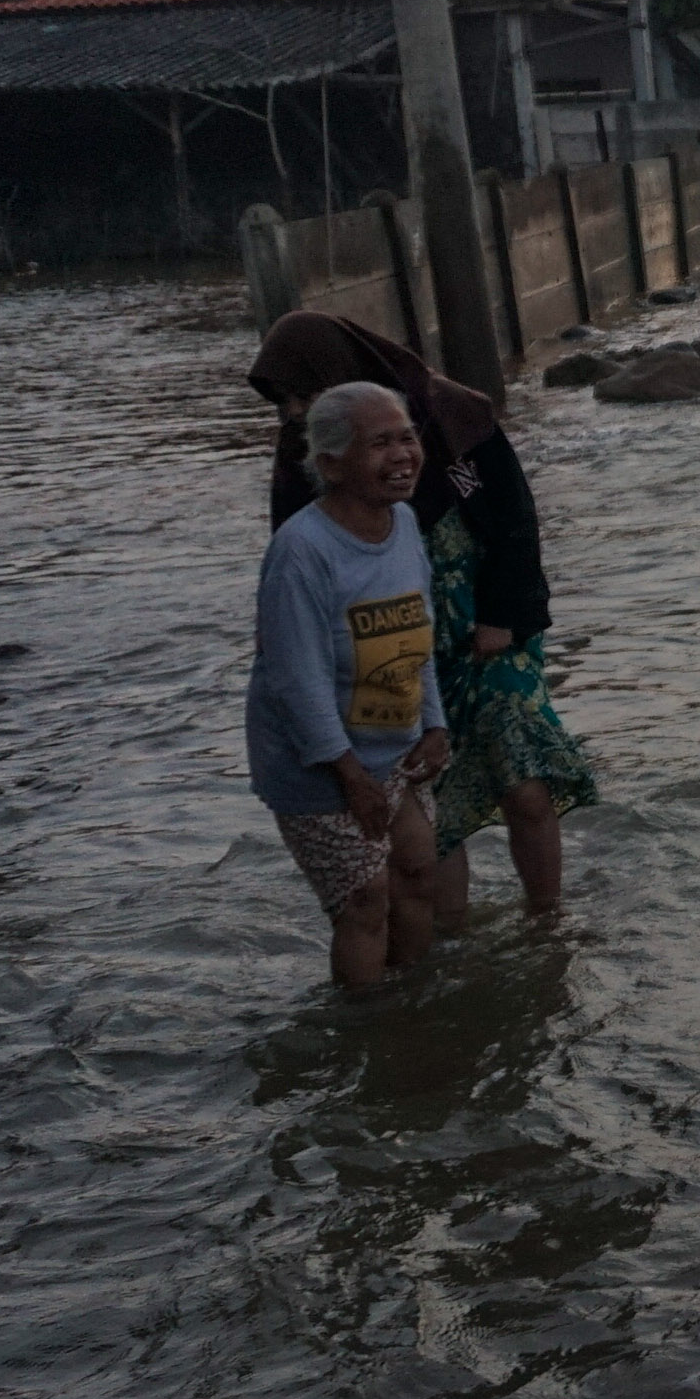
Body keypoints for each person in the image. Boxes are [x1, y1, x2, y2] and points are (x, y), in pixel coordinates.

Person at [250, 311, 597, 920]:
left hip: (491, 630)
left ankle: (549, 921)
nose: (294, 412)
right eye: (288, 402)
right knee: (433, 806)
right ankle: (453, 946)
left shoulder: (448, 413)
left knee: (526, 779)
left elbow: (516, 518)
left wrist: (502, 615)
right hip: (398, 648)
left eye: (303, 394)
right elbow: (299, 589)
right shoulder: (310, 457)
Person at [249, 380, 454, 990]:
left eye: (408, 438)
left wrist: (437, 723)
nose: (402, 456)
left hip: (394, 745)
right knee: (365, 902)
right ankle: (368, 1033)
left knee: (419, 874)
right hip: (318, 765)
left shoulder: (406, 524)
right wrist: (348, 774)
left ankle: (412, 1004)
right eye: (380, 444)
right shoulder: (302, 551)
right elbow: (297, 680)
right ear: (331, 464)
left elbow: (420, 634)